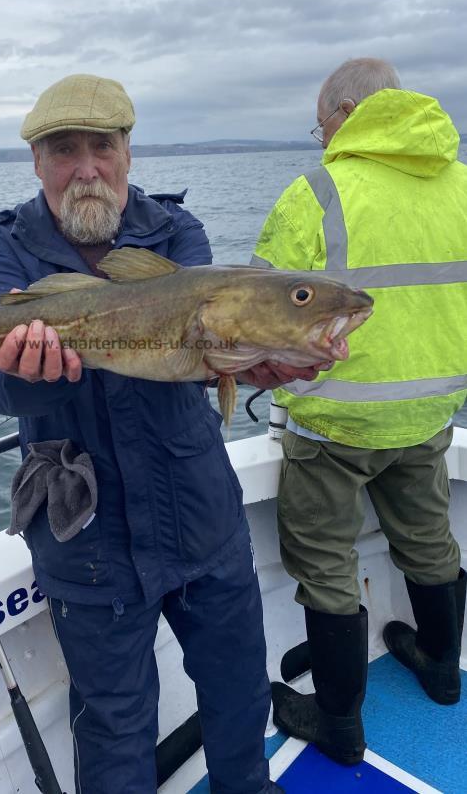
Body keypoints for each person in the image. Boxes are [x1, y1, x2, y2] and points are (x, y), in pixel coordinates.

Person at [0, 74, 317, 793]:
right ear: (37, 162)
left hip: (197, 510)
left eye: (102, 146)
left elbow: (201, 355)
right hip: (85, 533)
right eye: (64, 150)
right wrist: (29, 370)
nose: (86, 167)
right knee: (112, 724)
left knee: (237, 692)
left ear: (128, 152)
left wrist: (257, 365)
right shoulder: (7, 250)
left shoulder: (177, 234)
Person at [251, 57, 467, 766]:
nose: (319, 140)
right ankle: (440, 667)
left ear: (345, 113)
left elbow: (254, 311)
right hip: (431, 412)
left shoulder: (317, 190)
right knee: (429, 540)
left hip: (333, 423)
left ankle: (339, 721)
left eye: (320, 125)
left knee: (324, 566)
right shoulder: (461, 184)